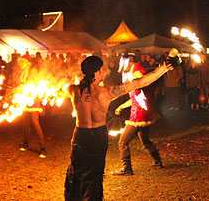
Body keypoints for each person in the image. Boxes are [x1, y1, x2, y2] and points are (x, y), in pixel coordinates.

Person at [65, 56, 171, 201]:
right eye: (102, 69)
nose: (104, 72)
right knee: (95, 174)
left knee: (76, 171)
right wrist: (163, 68)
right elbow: (140, 82)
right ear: (98, 71)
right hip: (98, 136)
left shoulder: (72, 90)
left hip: (80, 135)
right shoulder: (107, 92)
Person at [111, 59, 164, 176]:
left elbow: (138, 96)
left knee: (122, 143)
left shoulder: (138, 80)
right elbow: (134, 99)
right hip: (144, 114)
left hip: (138, 115)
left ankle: (127, 169)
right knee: (145, 141)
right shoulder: (138, 81)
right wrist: (121, 106)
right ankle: (158, 162)